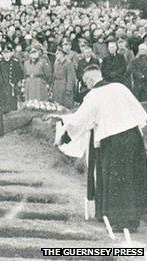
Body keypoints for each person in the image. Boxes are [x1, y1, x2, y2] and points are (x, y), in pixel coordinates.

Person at [47, 66, 147, 232]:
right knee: (133, 177)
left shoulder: (94, 95)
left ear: (89, 80)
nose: (87, 85)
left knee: (118, 181)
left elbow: (80, 120)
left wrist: (62, 137)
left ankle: (122, 221)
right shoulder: (120, 87)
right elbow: (140, 114)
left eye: (86, 82)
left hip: (114, 141)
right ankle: (135, 218)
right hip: (134, 138)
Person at [0, 44, 24, 112]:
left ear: (11, 53)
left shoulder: (15, 62)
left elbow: (20, 74)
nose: (6, 55)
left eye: (8, 52)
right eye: (4, 53)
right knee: (3, 103)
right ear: (2, 53)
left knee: (13, 104)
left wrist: (18, 82)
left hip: (12, 86)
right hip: (3, 86)